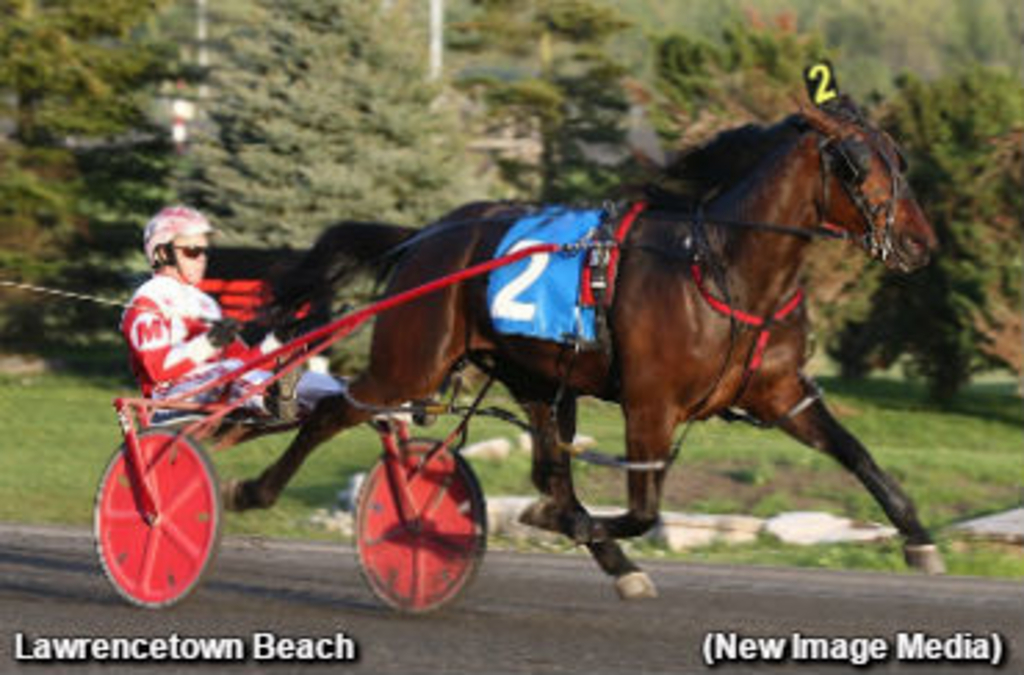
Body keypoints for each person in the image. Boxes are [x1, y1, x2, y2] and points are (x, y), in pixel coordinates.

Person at [120, 205, 344, 419]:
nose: (202, 259)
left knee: (309, 382)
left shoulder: (205, 303)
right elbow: (156, 371)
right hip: (169, 398)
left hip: (224, 386)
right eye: (192, 251)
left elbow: (245, 363)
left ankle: (351, 396)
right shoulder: (148, 300)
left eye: (204, 251)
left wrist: (278, 340)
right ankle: (274, 398)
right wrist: (209, 342)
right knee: (232, 369)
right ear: (161, 253)